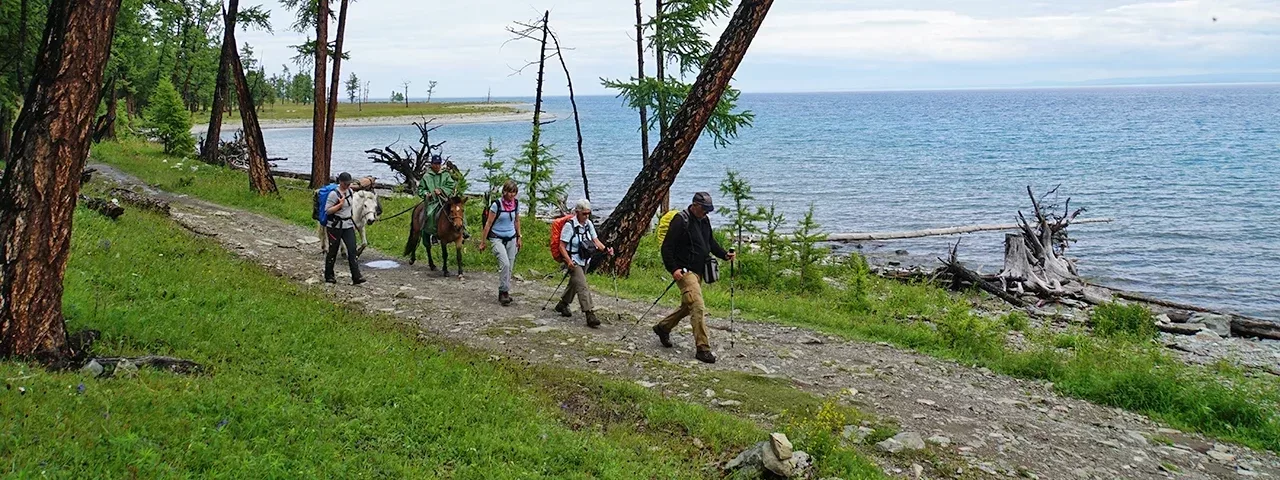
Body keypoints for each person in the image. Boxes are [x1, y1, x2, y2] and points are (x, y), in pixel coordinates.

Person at [653, 192, 734, 364]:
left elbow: (710, 242)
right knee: (697, 306)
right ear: (695, 205)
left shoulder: (704, 220)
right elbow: (667, 248)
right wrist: (673, 269)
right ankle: (702, 348)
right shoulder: (680, 220)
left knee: (687, 305)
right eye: (704, 209)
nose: (706, 213)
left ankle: (663, 327)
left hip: (699, 272)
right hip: (684, 271)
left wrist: (724, 255)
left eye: (708, 210)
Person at [555, 199, 612, 328]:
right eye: (584, 214)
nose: (586, 216)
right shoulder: (569, 226)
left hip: (585, 259)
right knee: (583, 286)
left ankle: (563, 304)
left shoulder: (588, 224)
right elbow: (561, 246)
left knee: (575, 283)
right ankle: (589, 314)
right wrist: (568, 261)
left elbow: (595, 240)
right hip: (573, 260)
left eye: (588, 213)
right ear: (577, 212)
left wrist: (606, 249)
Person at [478, 180, 523, 306]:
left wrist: (519, 237)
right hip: (496, 237)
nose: (511, 195)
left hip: (512, 237)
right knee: (505, 264)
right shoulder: (496, 205)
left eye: (514, 192)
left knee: (510, 266)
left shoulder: (516, 204)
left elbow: (517, 221)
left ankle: (505, 292)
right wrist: (483, 242)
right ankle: (503, 291)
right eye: (509, 192)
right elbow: (488, 224)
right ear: (504, 192)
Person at [324, 172, 367, 285]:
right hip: (334, 226)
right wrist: (340, 205)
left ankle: (356, 276)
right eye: (345, 184)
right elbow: (328, 211)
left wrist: (353, 223)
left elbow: (350, 209)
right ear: (340, 182)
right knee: (333, 251)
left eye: (349, 183)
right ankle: (329, 275)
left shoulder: (350, 192)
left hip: (347, 225)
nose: (347, 186)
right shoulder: (333, 194)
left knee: (352, 250)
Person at [416, 154, 459, 238]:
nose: (437, 166)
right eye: (435, 164)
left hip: (446, 199)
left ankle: (463, 230)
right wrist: (427, 194)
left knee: (458, 210)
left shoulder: (446, 175)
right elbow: (421, 190)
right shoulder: (426, 176)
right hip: (433, 201)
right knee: (430, 213)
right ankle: (434, 233)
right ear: (432, 164)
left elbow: (451, 185)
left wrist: (441, 190)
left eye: (438, 164)